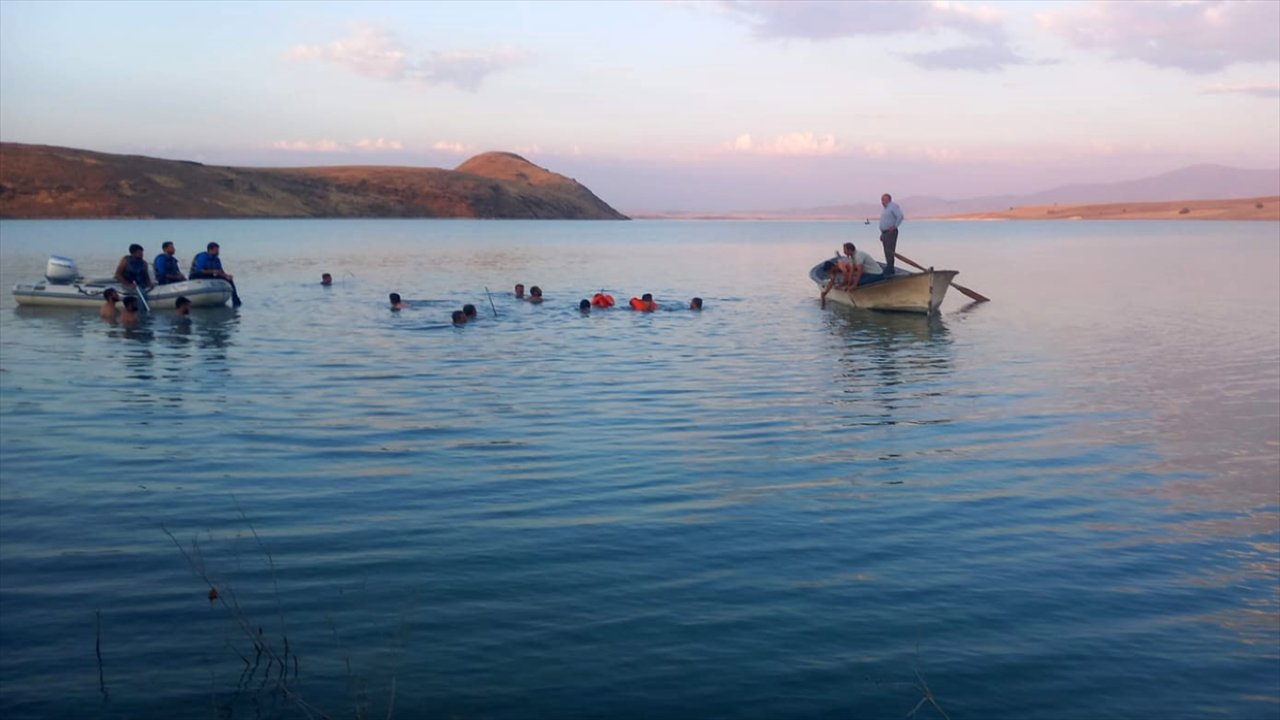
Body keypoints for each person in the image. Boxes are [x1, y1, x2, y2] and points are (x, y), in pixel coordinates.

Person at [879, 193, 904, 275]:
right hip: (885, 233)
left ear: (889, 199)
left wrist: (895, 226)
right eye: (881, 200)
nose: (882, 201)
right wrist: (882, 233)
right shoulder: (884, 209)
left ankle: (890, 268)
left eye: (884, 199)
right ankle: (889, 267)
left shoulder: (893, 206)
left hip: (891, 232)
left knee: (890, 250)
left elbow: (900, 216)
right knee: (886, 250)